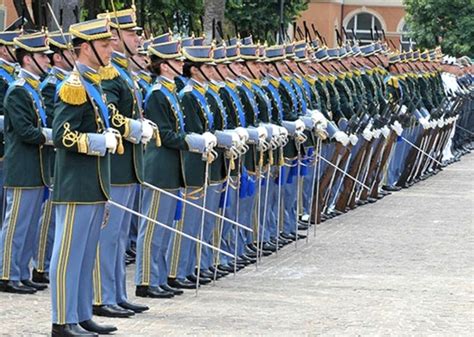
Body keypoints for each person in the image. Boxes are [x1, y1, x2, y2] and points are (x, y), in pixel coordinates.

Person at [49, 18, 118, 336]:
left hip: (94, 182)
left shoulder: (94, 84)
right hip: (76, 184)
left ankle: (80, 313)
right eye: (105, 45)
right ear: (86, 48)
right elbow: (63, 136)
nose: (112, 48)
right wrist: (99, 142)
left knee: (85, 254)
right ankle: (62, 320)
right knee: (68, 254)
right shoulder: (73, 86)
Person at [0, 31, 53, 294]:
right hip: (22, 167)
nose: (47, 59)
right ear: (28, 59)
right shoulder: (18, 91)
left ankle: (21, 272)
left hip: (37, 167)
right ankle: (7, 274)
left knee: (30, 225)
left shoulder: (32, 89)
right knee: (16, 225)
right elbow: (25, 131)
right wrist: (53, 137)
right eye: (43, 55)